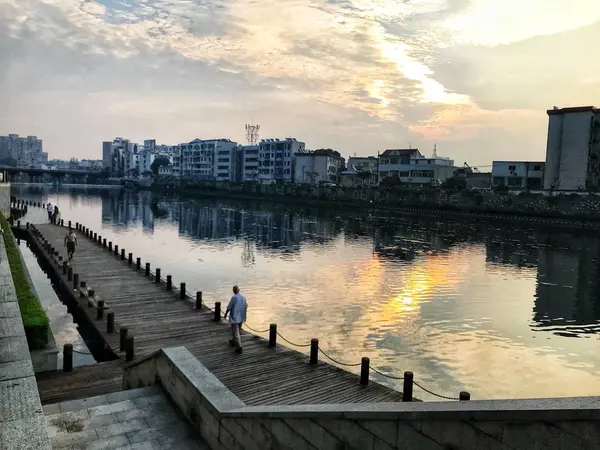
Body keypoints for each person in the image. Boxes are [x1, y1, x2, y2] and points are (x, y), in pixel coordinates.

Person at [224, 285, 247, 354]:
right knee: (238, 330)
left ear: (234, 291)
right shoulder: (243, 298)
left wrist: (225, 314)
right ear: (239, 290)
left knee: (235, 331)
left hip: (235, 317)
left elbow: (229, 307)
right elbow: (246, 306)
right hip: (241, 316)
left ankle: (239, 347)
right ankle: (234, 341)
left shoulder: (234, 297)